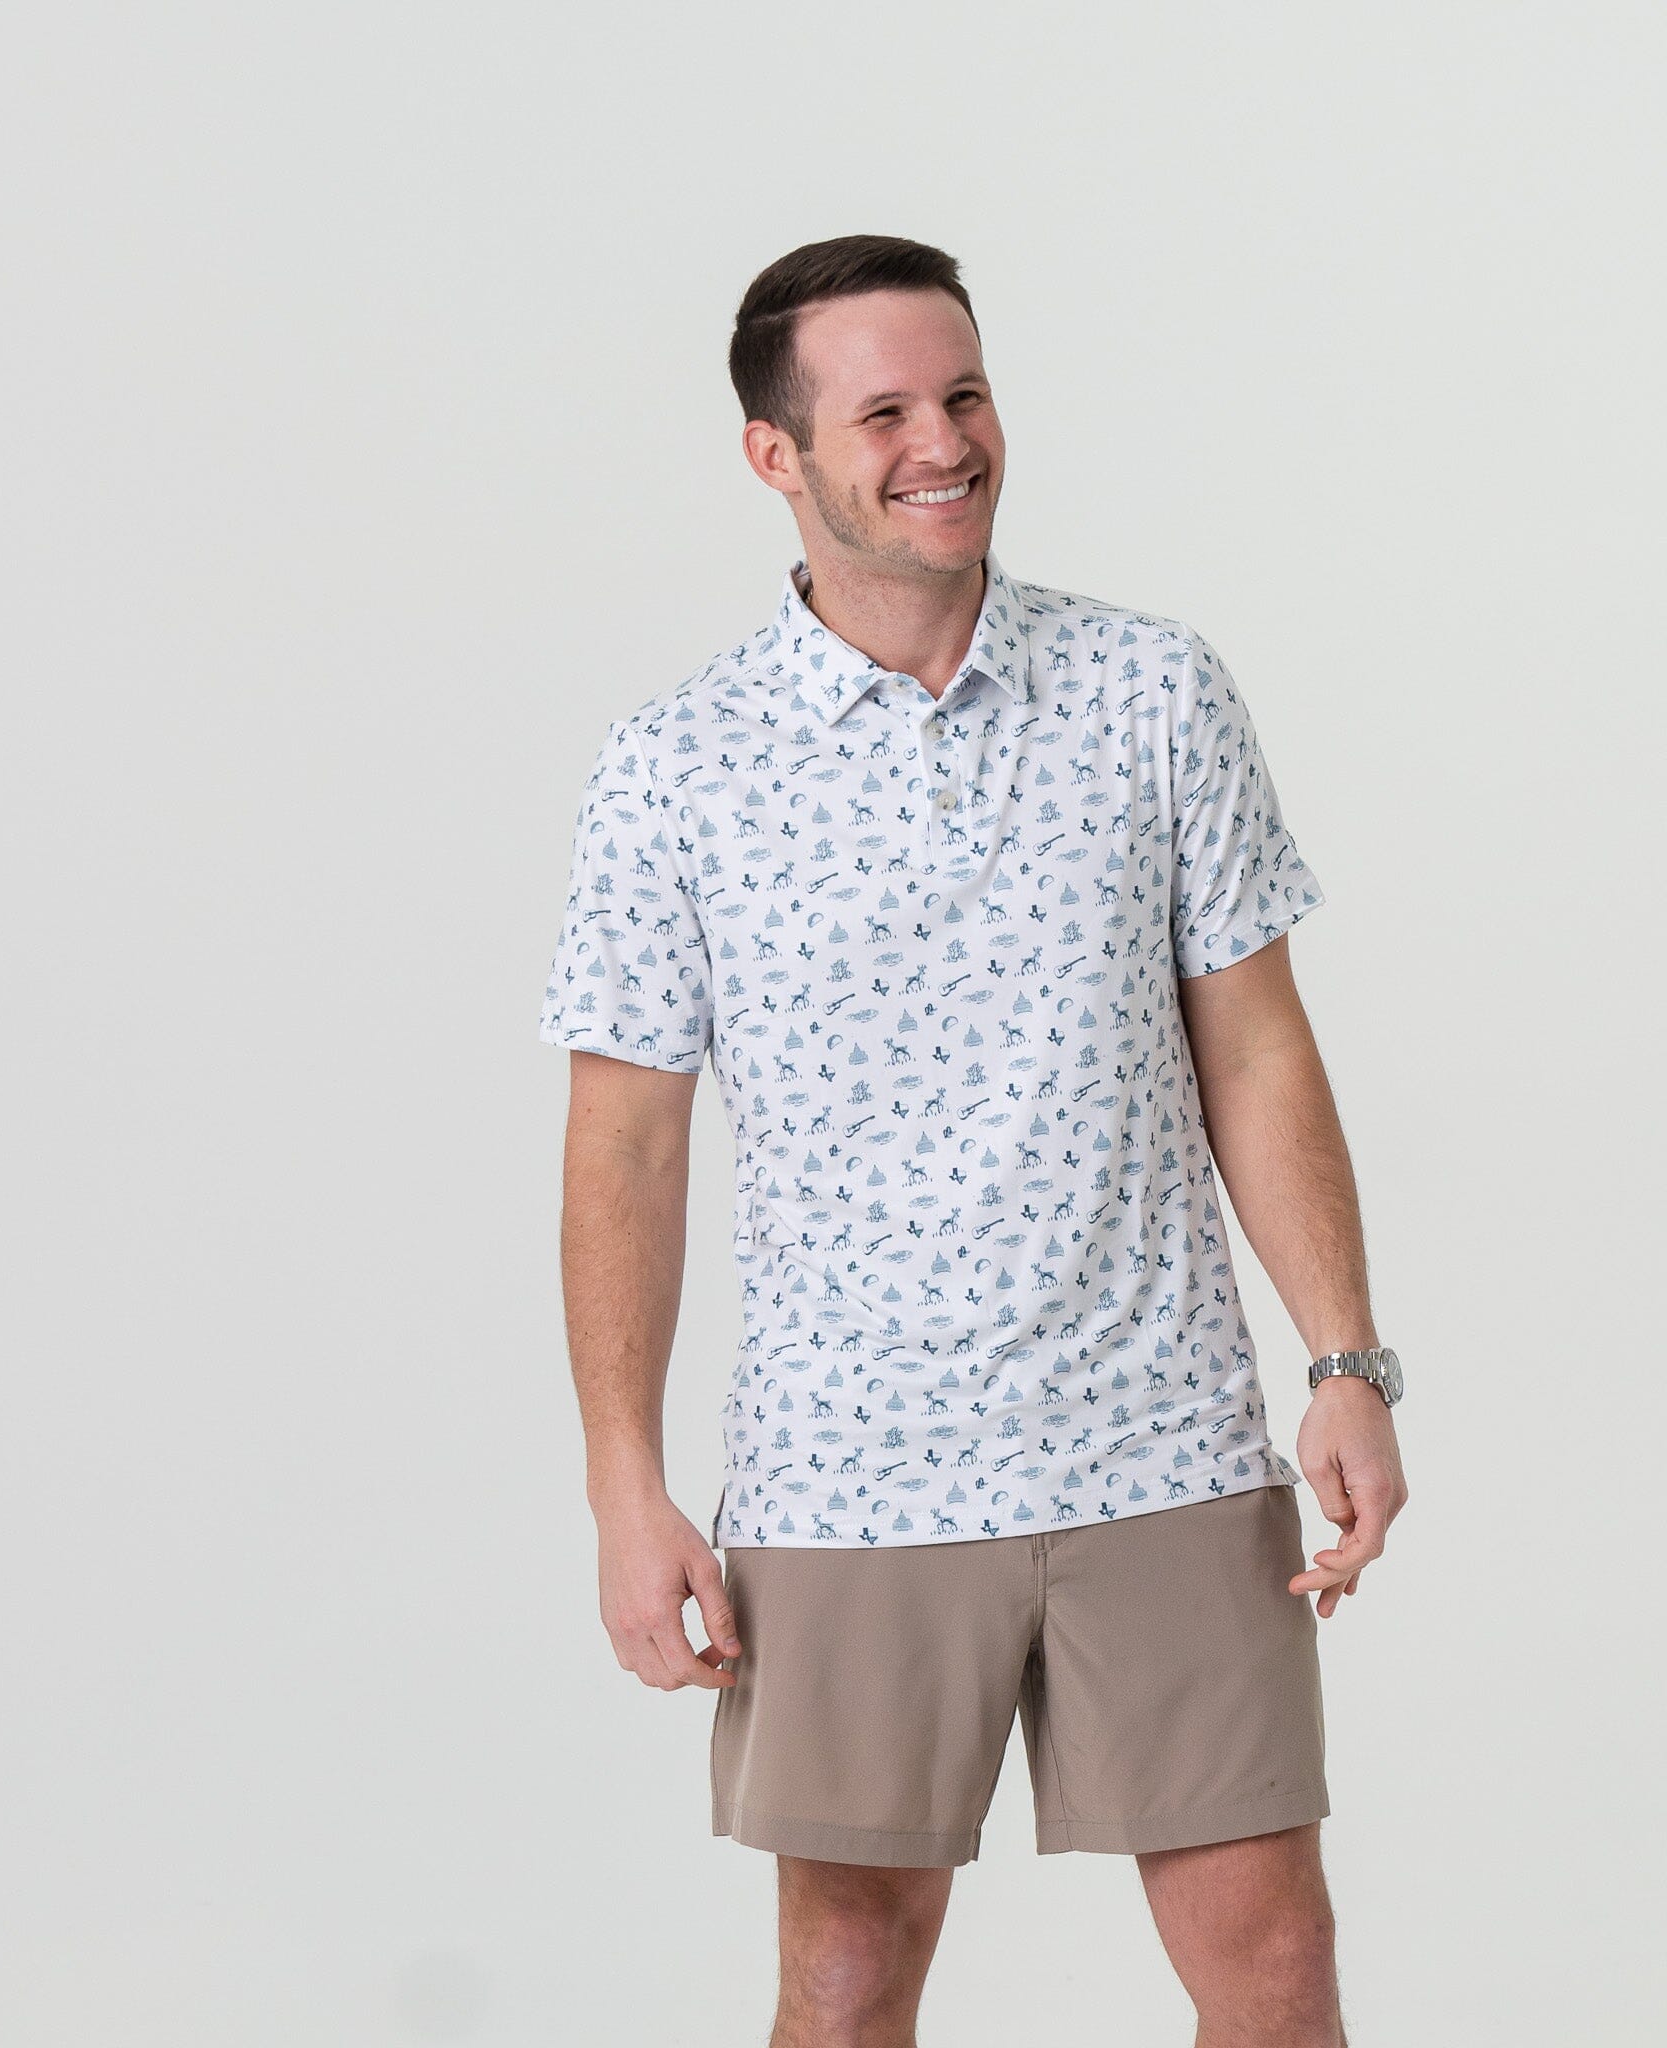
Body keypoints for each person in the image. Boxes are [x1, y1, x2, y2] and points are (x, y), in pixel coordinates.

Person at [539, 232, 1408, 2048]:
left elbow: (1257, 1049)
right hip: (850, 1469)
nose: (942, 443)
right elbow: (623, 1151)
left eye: (965, 394)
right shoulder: (678, 767)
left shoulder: (1154, 692)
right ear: (775, 455)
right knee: (847, 1980)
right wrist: (626, 1482)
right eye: (884, 414)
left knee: (1276, 1965)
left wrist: (1343, 1358)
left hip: (1160, 1444)